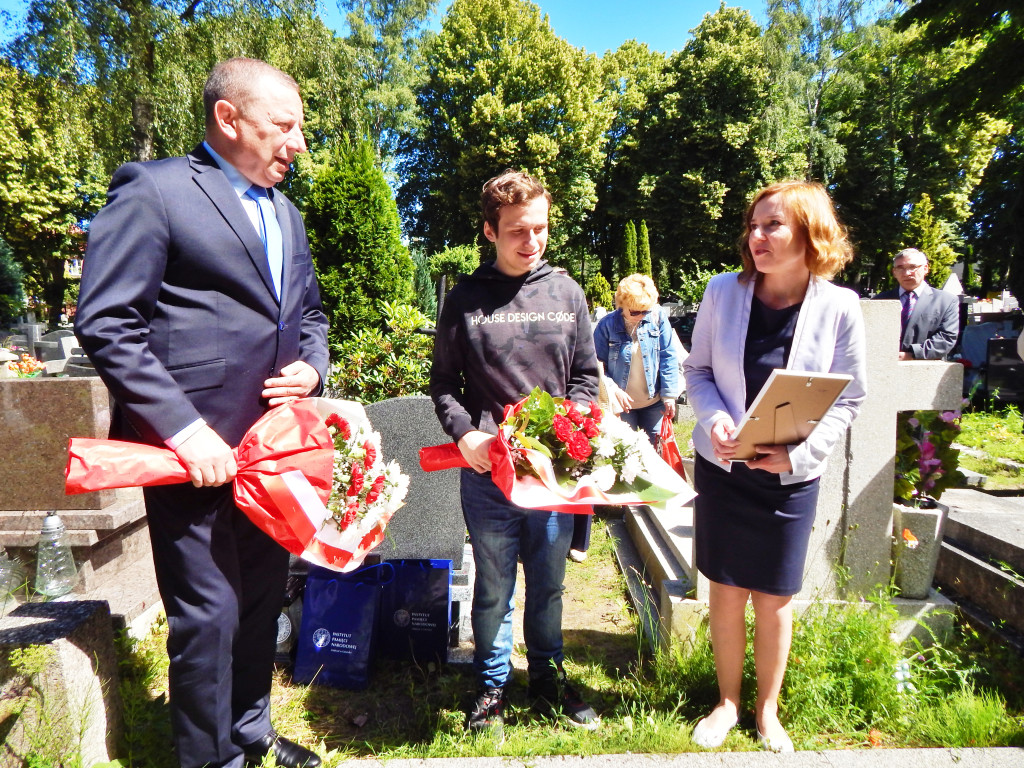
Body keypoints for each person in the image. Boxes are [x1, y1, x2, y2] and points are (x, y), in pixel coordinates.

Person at [75, 58, 327, 768]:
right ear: (229, 119)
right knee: (208, 617)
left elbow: (309, 312)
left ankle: (250, 735)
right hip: (193, 455)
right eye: (285, 125)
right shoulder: (153, 191)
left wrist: (313, 363)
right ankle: (208, 758)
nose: (299, 142)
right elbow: (107, 322)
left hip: (271, 455)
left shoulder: (286, 211)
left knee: (258, 608)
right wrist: (184, 429)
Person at [683, 180, 866, 753]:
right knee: (727, 590)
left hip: (789, 478)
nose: (756, 237)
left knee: (774, 597)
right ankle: (726, 702)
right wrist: (713, 419)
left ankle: (768, 712)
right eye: (753, 226)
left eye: (772, 226)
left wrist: (798, 454)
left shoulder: (839, 306)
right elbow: (698, 373)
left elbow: (851, 397)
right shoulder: (722, 291)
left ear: (809, 234)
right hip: (725, 468)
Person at [430, 169, 601, 740]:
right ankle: (491, 685)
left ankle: (548, 676)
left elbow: (584, 376)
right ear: (489, 231)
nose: (532, 241)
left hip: (552, 477)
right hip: (489, 475)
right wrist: (465, 435)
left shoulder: (567, 293)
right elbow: (444, 384)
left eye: (541, 229)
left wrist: (569, 428)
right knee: (495, 586)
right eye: (517, 232)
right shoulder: (465, 300)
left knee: (549, 582)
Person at [593, 273, 681, 446]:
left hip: (654, 402)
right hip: (621, 405)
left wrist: (669, 395)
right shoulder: (606, 326)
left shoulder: (658, 318)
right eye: (634, 312)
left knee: (659, 454)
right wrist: (614, 390)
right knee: (625, 456)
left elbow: (668, 356)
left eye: (645, 311)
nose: (641, 316)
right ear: (621, 305)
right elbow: (596, 366)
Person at [874, 248, 959, 360]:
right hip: (885, 364)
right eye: (900, 268)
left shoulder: (945, 301)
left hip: (926, 368)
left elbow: (946, 338)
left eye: (912, 267)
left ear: (925, 268)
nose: (906, 273)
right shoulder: (880, 301)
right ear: (894, 272)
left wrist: (911, 355)